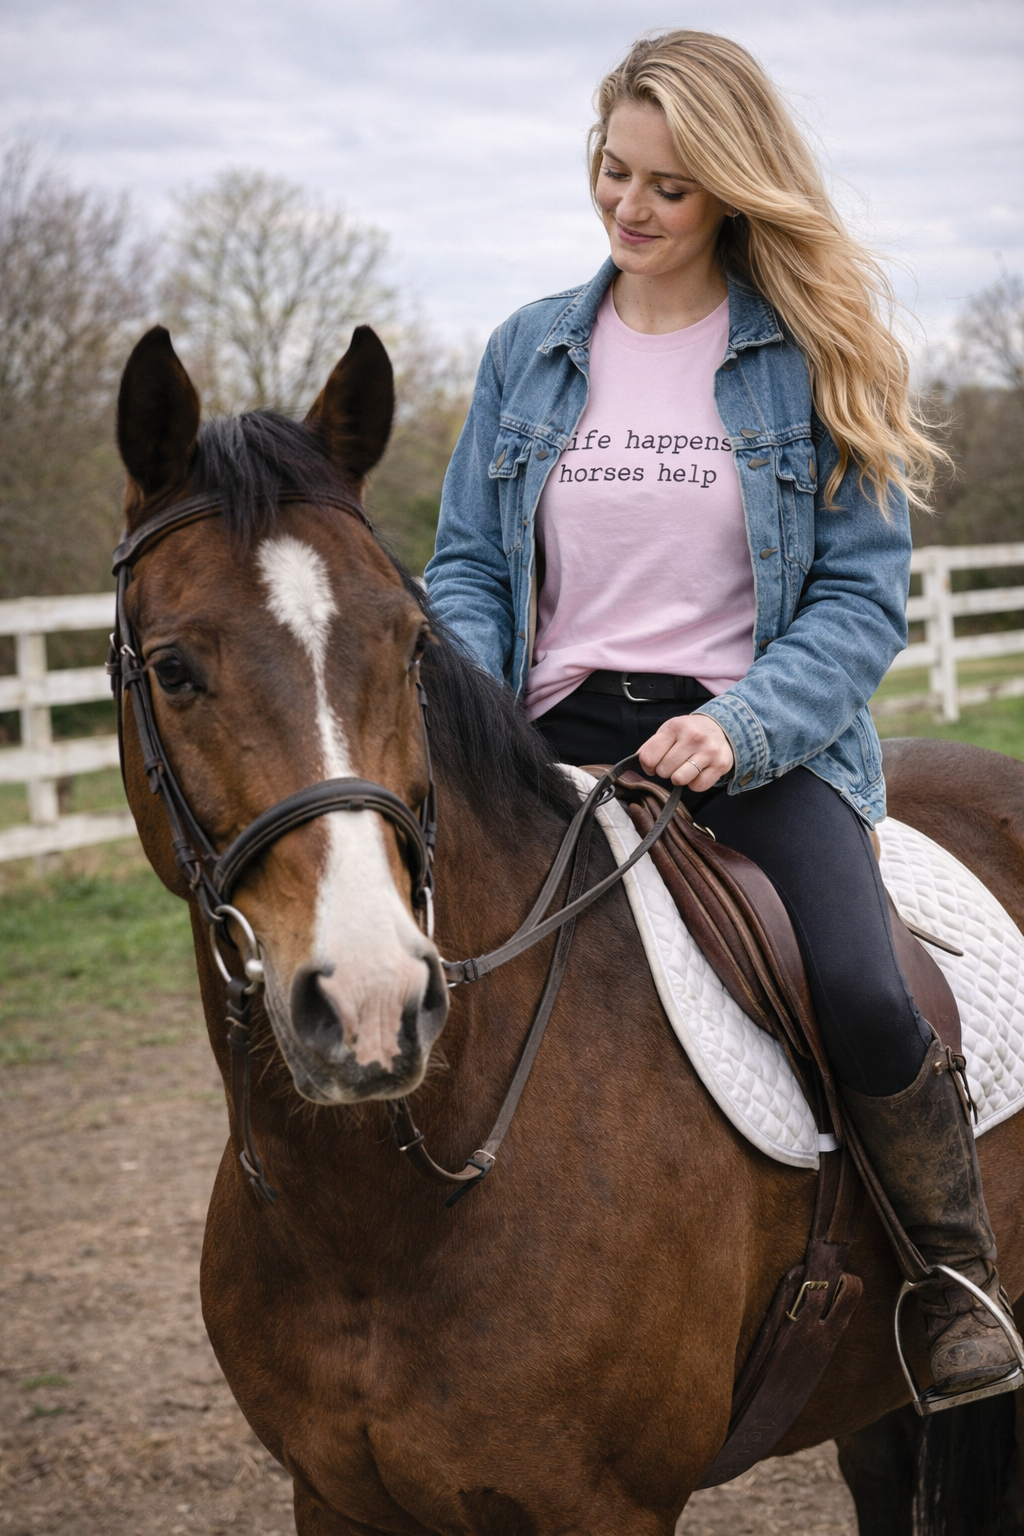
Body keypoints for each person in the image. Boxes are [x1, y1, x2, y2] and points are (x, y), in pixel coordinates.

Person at [425, 30, 1021, 1407]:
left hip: (757, 740)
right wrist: (476, 717)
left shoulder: (810, 359)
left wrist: (738, 729)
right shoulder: (527, 351)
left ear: (733, 191)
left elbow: (859, 602)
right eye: (612, 170)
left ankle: (952, 1281)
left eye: (668, 185)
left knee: (863, 988)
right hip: (545, 734)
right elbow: (467, 566)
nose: (628, 207)